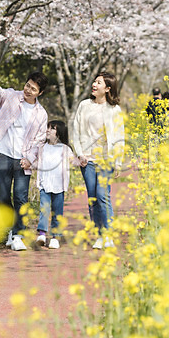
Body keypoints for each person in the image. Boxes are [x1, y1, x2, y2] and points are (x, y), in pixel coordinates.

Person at [0, 60, 48, 251]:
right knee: (1, 194)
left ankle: (18, 234)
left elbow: (40, 141)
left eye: (33, 89)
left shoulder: (41, 114)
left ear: (40, 93)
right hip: (2, 154)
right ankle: (11, 228)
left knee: (20, 196)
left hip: (23, 160)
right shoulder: (11, 97)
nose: (28, 90)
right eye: (27, 85)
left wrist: (31, 160)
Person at [71, 72, 125, 249]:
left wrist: (117, 162)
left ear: (107, 88)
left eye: (99, 82)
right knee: (93, 198)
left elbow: (119, 137)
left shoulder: (114, 110)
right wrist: (80, 154)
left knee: (103, 196)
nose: (94, 85)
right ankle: (100, 235)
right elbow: (76, 131)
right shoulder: (84, 105)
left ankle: (108, 234)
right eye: (94, 81)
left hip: (106, 159)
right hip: (87, 159)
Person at [34, 120, 79, 249]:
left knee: (57, 212)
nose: (48, 130)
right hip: (45, 184)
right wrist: (30, 165)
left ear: (59, 132)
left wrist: (80, 161)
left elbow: (72, 160)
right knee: (44, 209)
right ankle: (42, 234)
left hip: (59, 186)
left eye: (52, 128)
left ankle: (55, 237)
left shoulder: (65, 148)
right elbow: (38, 163)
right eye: (47, 128)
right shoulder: (42, 147)